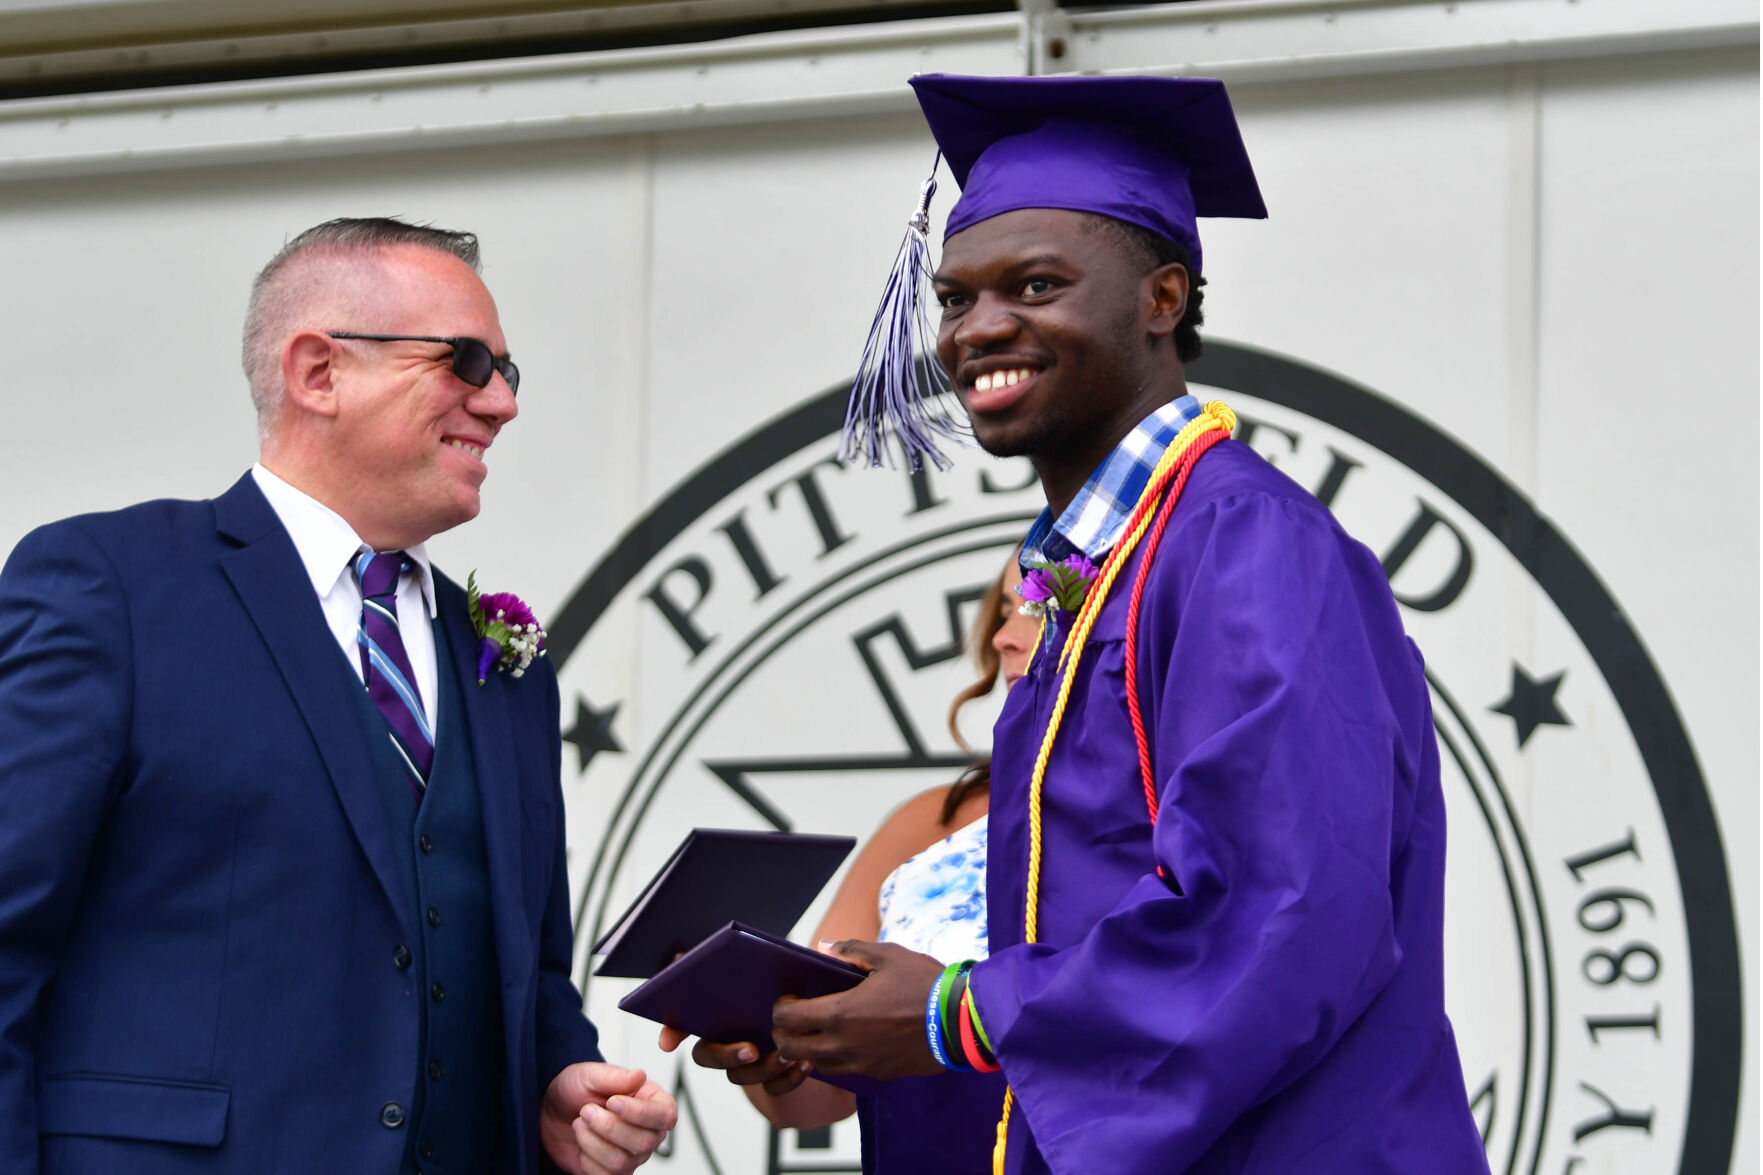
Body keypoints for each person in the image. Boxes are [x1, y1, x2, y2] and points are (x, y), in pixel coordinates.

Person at [690, 75, 1492, 1174]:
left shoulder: (1242, 545)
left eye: (1033, 284)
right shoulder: (1100, 564)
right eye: (956, 297)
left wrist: (958, 1016)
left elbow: (1277, 911)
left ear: (1162, 297)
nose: (980, 329)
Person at [0, 217, 676, 1175]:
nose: (500, 404)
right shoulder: (112, 587)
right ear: (318, 372)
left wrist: (556, 1078)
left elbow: (526, 971)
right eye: (467, 360)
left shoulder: (507, 664)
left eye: (508, 374)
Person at [670, 553, 1037, 1168]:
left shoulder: (1166, 818)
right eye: (1002, 609)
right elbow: (814, 1099)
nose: (1004, 636)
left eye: (1035, 607)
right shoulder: (929, 823)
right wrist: (757, 1031)